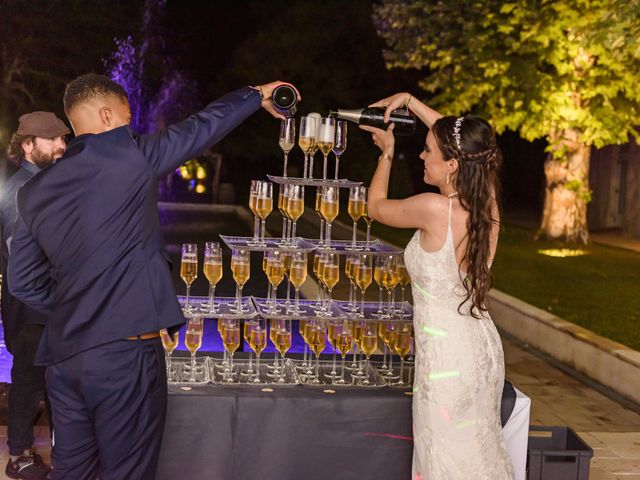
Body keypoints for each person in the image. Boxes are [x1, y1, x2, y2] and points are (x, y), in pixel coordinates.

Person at [8, 73, 295, 480]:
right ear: (107, 114)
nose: (132, 124)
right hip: (124, 357)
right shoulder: (129, 154)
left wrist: (78, 308)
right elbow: (200, 128)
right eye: (127, 115)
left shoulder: (34, 192)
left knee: (72, 472)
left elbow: (22, 281)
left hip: (64, 359)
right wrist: (254, 96)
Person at [362, 92, 515, 479]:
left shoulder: (435, 209)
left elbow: (375, 207)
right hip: (481, 351)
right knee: (476, 451)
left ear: (452, 165)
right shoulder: (487, 207)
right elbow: (467, 144)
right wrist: (411, 103)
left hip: (447, 361)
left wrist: (385, 152)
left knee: (444, 458)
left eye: (429, 151)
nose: (422, 156)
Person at [1, 111, 69, 480]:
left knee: (54, 379)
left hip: (47, 306)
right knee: (28, 380)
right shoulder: (20, 191)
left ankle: (64, 453)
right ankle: (18, 457)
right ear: (27, 145)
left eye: (63, 138)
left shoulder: (42, 186)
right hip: (31, 309)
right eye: (52, 138)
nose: (62, 145)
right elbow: (21, 258)